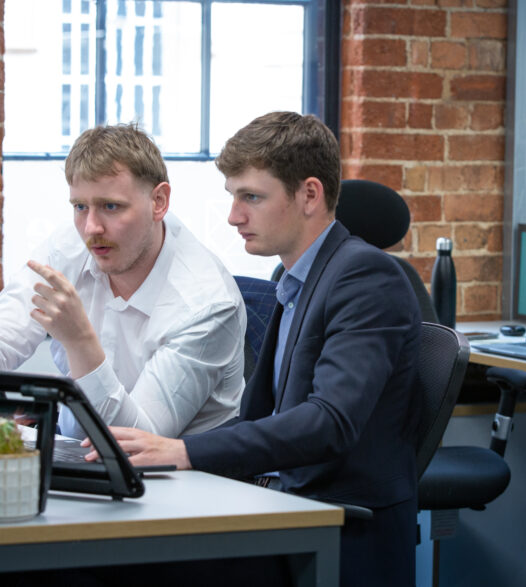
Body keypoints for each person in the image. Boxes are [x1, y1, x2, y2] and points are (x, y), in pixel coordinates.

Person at [91, 111, 423, 587]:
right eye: (233, 197)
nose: (234, 216)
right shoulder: (296, 280)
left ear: (310, 194)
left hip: (338, 530)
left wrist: (185, 451)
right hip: (284, 506)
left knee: (116, 565)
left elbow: (329, 422)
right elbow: (262, 418)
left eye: (251, 197)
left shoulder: (364, 278)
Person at [0, 123, 246, 439]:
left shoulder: (206, 304)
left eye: (111, 206)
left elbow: (135, 439)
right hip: (80, 454)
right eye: (80, 206)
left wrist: (79, 341)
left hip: (184, 479)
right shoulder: (72, 244)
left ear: (158, 202)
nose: (91, 227)